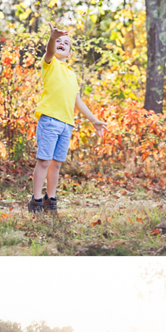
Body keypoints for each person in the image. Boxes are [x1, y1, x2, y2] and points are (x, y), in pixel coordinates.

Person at [29, 26, 105, 216]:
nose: (61, 44)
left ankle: (50, 198)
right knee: (44, 161)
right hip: (49, 120)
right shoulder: (49, 64)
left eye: (66, 43)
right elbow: (48, 51)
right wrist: (52, 37)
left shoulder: (71, 75)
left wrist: (94, 120)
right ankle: (36, 199)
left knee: (56, 163)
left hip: (66, 125)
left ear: (70, 53)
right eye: (59, 42)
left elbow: (77, 100)